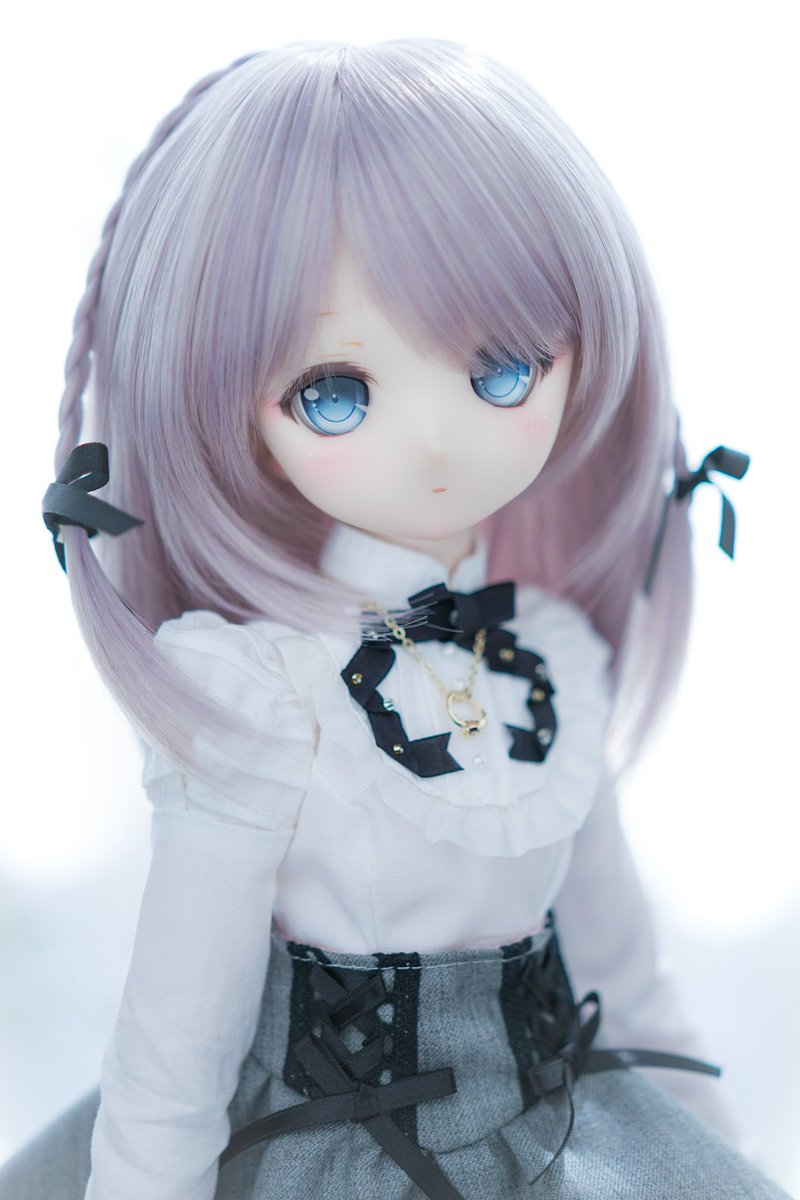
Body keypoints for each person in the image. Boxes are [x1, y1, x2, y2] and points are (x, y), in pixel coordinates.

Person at [1, 39, 787, 1200]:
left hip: (560, 1142)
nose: (433, 440)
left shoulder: (551, 660)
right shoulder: (259, 688)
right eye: (334, 392)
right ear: (229, 407)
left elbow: (627, 984)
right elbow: (174, 1047)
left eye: (501, 368)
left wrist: (723, 1163)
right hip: (323, 1151)